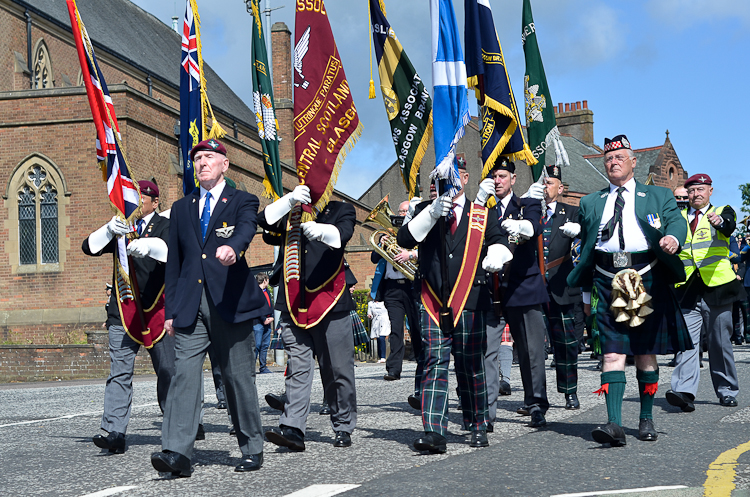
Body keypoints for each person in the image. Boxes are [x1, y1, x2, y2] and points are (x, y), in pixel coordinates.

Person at [150, 139, 270, 476]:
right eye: (197, 159)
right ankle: (176, 452)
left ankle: (251, 446)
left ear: (224, 165)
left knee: (237, 378)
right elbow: (175, 262)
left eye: (209, 158)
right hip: (190, 306)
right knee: (182, 377)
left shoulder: (242, 200)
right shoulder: (181, 207)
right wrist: (170, 311)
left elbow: (247, 228)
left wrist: (234, 247)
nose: (202, 163)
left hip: (230, 303)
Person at [568, 134, 691, 447]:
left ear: (633, 162)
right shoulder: (590, 202)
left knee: (644, 353)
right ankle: (613, 424)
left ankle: (646, 416)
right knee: (612, 352)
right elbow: (585, 252)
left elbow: (677, 223)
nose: (613, 163)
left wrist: (673, 240)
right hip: (606, 279)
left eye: (620, 157)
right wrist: (585, 295)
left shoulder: (658, 196)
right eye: (608, 159)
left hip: (645, 277)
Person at [398, 159, 510, 453]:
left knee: (470, 365)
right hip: (433, 299)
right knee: (434, 364)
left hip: (470, 300)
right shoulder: (426, 210)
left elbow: (500, 240)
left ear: (465, 176)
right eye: (440, 178)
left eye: (452, 176)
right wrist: (432, 212)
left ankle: (476, 423)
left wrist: (497, 253)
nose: (445, 182)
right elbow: (405, 237)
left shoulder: (481, 213)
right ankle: (434, 431)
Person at [258, 183, 358, 451]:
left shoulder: (340, 209)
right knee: (298, 369)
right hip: (293, 303)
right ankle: (292, 428)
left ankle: (343, 423)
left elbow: (343, 234)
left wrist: (322, 230)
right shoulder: (293, 212)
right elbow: (264, 221)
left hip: (330, 302)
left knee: (337, 370)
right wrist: (289, 200)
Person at [82, 180, 173, 454]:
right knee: (119, 373)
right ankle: (114, 432)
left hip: (158, 310)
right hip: (124, 310)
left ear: (155, 202)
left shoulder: (167, 225)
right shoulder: (124, 226)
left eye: (140, 196)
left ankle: (176, 425)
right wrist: (109, 229)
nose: (134, 201)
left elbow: (171, 254)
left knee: (169, 370)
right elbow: (89, 247)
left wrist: (149, 246)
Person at [478, 158, 550, 428]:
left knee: (531, 351)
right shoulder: (482, 208)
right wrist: (478, 201)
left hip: (523, 286)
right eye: (494, 176)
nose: (497, 181)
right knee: (487, 350)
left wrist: (520, 227)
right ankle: (486, 410)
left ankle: (536, 404)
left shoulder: (525, 204)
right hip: (491, 289)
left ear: (513, 179)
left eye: (502, 176)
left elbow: (533, 228)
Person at [666, 173, 742, 411]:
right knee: (687, 343)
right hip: (687, 289)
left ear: (710, 191)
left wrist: (719, 222)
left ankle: (727, 390)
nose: (695, 194)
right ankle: (684, 392)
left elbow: (729, 226)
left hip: (717, 288)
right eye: (691, 191)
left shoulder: (722, 210)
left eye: (700, 189)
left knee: (720, 343)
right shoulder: (678, 217)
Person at [538, 165, 583, 410]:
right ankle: (536, 397)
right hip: (534, 286)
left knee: (565, 345)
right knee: (535, 347)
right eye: (543, 183)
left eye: (550, 183)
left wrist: (580, 231)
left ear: (560, 187)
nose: (545, 187)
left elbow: (590, 231)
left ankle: (569, 392)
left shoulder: (572, 212)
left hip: (561, 286)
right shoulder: (532, 211)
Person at [254, 273, 274, 374]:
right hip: (258, 323)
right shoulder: (255, 292)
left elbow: (270, 306)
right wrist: (263, 319)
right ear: (265, 280)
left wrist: (272, 316)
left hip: (268, 321)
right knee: (256, 345)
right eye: (268, 280)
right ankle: (251, 368)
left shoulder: (267, 292)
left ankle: (263, 367)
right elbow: (256, 308)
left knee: (265, 345)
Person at [367, 298, 390, 363]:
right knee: (377, 338)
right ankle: (380, 356)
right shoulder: (370, 303)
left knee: (382, 337)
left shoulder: (384, 302)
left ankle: (383, 357)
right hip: (376, 322)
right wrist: (370, 315)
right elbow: (369, 313)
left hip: (384, 321)